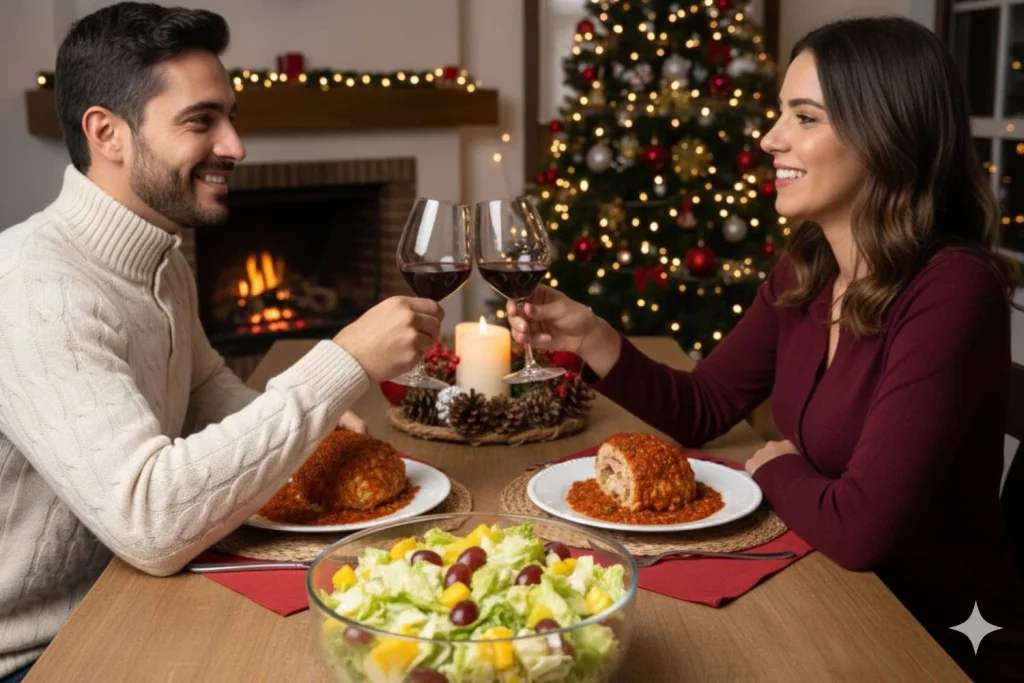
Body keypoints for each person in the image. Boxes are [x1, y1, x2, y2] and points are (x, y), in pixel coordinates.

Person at [508, 16, 1024, 683]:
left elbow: (861, 528)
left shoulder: (953, 289)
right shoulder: (807, 270)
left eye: (804, 117)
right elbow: (705, 406)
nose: (770, 137)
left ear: (886, 134)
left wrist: (775, 465)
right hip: (834, 596)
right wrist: (594, 339)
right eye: (782, 113)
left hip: (936, 640)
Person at [0, 4, 443, 681]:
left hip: (134, 595)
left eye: (230, 117)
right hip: (42, 651)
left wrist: (309, 432)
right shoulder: (35, 285)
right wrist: (343, 363)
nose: (235, 145)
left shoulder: (161, 256)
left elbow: (207, 389)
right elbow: (148, 518)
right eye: (200, 121)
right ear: (106, 133)